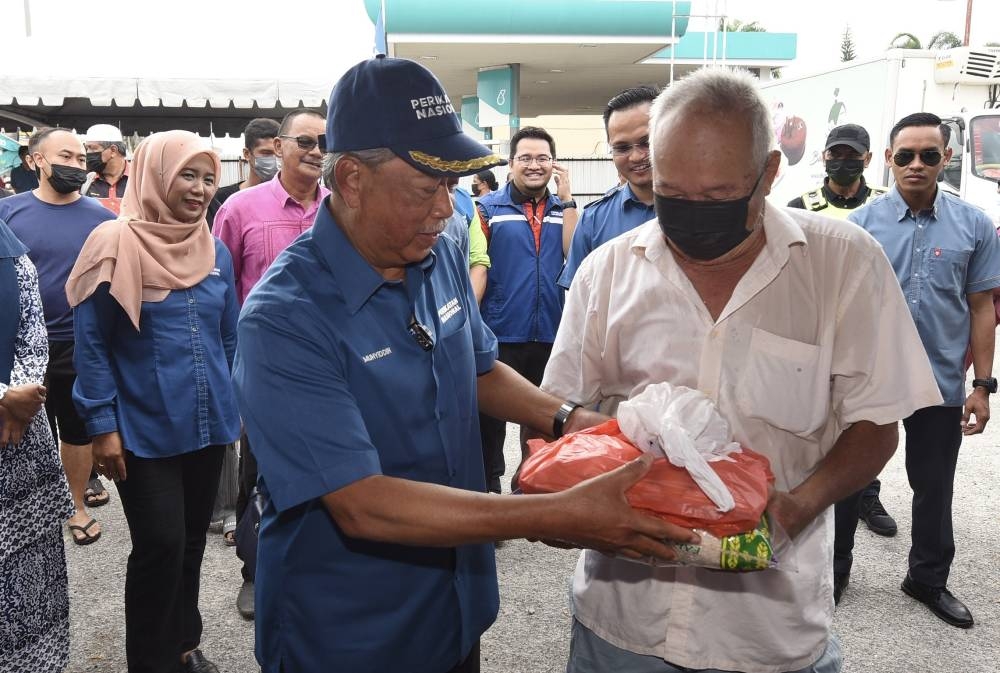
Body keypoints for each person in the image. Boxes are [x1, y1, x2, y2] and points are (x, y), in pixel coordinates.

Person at [232, 54, 697, 673]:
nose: (445, 211)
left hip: (453, 605)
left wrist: (576, 422)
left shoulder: (433, 251)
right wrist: (554, 514)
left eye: (450, 188)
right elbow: (361, 502)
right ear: (350, 180)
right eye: (426, 190)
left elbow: (476, 366)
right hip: (351, 629)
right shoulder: (284, 318)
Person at [541, 68, 942, 673]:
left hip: (770, 633)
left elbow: (876, 426)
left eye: (718, 197)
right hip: (622, 624)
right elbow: (560, 414)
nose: (693, 215)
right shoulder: (607, 272)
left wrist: (796, 509)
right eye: (675, 194)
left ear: (770, 173)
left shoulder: (843, 265)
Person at [68, 130, 241, 673]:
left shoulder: (215, 250)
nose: (199, 188)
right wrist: (101, 424)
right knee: (159, 545)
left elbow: (229, 337)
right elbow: (91, 345)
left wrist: (236, 400)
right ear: (157, 175)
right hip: (141, 427)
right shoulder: (112, 242)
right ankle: (149, 661)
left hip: (208, 423)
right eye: (187, 174)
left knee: (191, 542)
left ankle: (183, 644)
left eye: (208, 178)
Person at [847, 112, 1000, 629]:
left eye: (928, 155)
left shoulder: (974, 225)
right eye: (905, 155)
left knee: (933, 485)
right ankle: (835, 572)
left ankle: (927, 580)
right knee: (849, 480)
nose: (916, 164)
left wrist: (982, 386)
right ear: (888, 159)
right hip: (869, 378)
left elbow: (982, 307)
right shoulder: (862, 226)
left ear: (946, 160)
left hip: (939, 382)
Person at [213, 108, 329, 619]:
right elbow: (218, 289)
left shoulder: (344, 207)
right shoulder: (240, 209)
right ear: (277, 147)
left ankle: (320, 570)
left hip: (333, 367)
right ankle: (255, 573)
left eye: (325, 141)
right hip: (264, 371)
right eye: (304, 140)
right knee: (259, 475)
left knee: (332, 470)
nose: (315, 150)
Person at [785, 124, 894, 603]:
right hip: (813, 342)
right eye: (835, 154)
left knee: (866, 435)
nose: (842, 162)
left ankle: (841, 564)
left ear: (868, 159)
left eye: (851, 155)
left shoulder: (884, 208)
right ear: (824, 157)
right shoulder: (800, 205)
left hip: (862, 337)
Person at [0, 128, 116, 545]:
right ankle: (28, 506)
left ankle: (76, 505)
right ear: (35, 161)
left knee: (75, 426)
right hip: (19, 346)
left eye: (82, 159)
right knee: (23, 427)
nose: (76, 165)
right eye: (65, 156)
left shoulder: (104, 218)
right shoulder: (7, 213)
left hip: (78, 340)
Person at [475, 126, 577, 493]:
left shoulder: (562, 210)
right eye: (526, 158)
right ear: (511, 164)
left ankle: (534, 491)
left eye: (543, 158)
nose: (535, 165)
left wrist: (567, 203)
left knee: (542, 420)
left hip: (551, 333)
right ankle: (489, 491)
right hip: (500, 332)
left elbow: (573, 256)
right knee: (489, 421)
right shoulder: (487, 209)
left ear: (554, 164)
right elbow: (476, 267)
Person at [0, 218, 74, 673]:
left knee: (30, 572)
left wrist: (19, 398)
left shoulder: (9, 248)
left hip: (20, 438)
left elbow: (32, 326)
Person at [559, 85, 659, 290]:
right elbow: (581, 301)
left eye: (646, 142)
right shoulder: (593, 220)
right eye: (622, 148)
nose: (637, 156)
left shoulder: (706, 208)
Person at [205, 117, 280, 229]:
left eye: (278, 154)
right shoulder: (220, 200)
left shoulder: (288, 200)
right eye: (266, 153)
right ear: (247, 154)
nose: (274, 159)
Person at [83, 123, 129, 214]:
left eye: (92, 148)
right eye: (87, 148)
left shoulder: (140, 179)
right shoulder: (85, 180)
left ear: (113, 150)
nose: (88, 153)